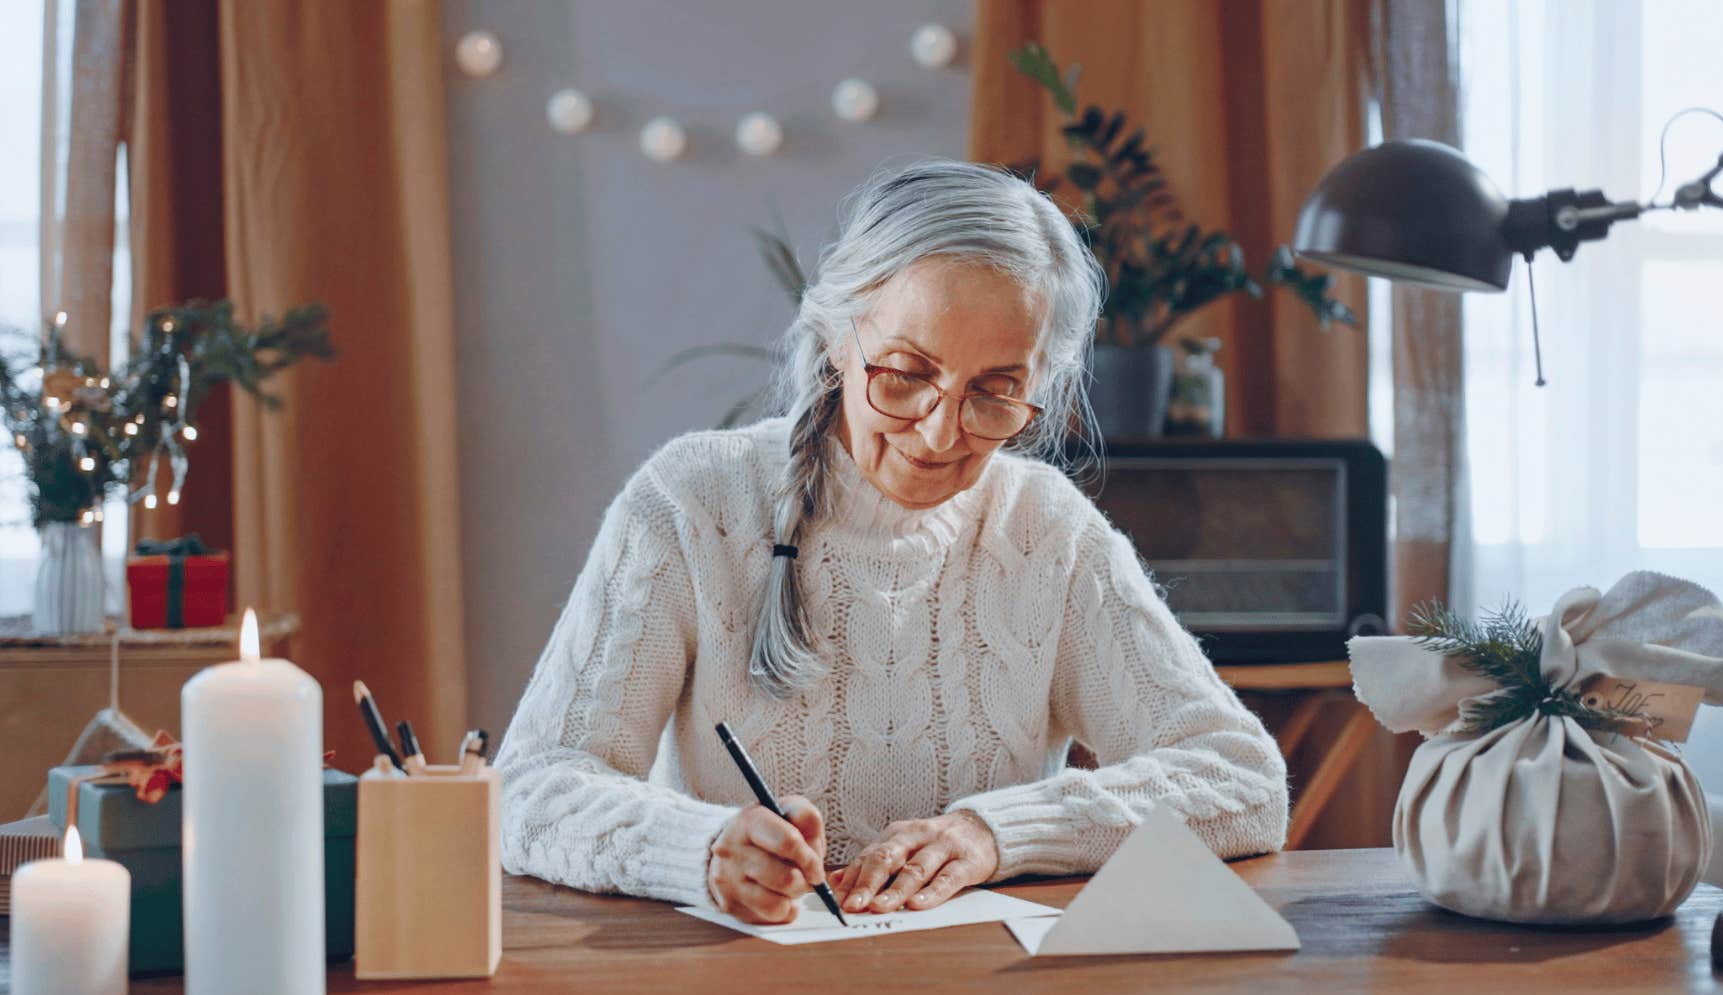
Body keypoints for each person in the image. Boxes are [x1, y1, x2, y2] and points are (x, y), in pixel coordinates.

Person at [494, 158, 1289, 924]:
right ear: (839, 339)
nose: (940, 434)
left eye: (995, 392)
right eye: (907, 374)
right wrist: (700, 849)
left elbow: (1241, 780)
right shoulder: (694, 503)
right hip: (739, 988)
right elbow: (532, 788)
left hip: (983, 991)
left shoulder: (1046, 532)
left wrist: (995, 833)